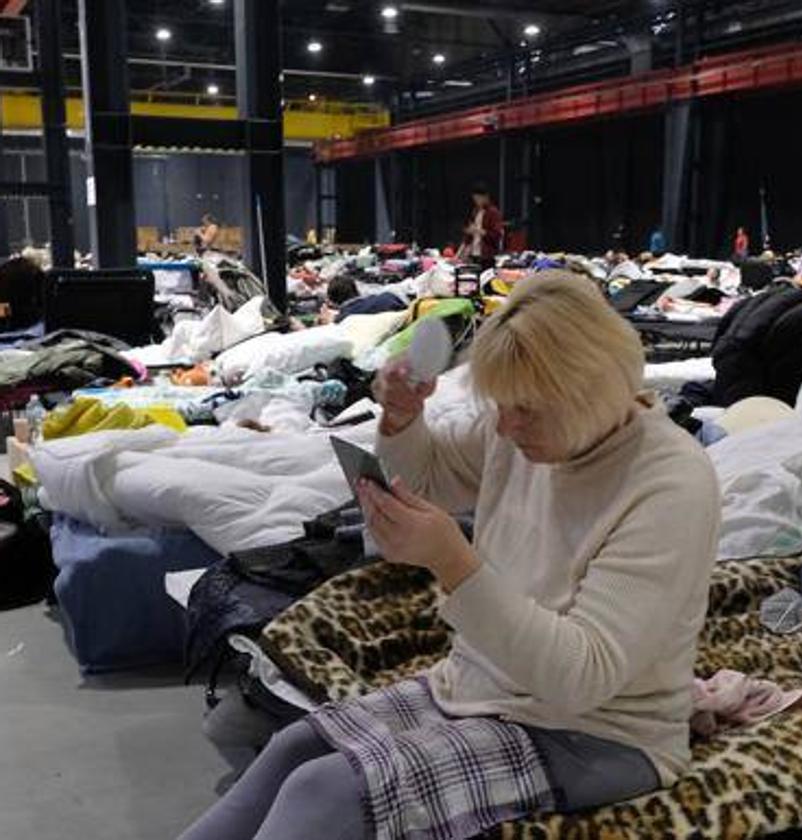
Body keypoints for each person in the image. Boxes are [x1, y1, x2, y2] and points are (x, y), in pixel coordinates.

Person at [178, 271, 720, 840]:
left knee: (327, 792)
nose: (505, 428)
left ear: (590, 392)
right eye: (501, 406)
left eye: (526, 411)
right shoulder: (526, 431)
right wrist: (402, 420)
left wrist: (453, 562)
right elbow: (430, 480)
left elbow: (582, 678)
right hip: (486, 687)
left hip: (598, 732)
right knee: (295, 749)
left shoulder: (668, 484)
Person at [458, 182, 504, 270]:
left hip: (487, 256)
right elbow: (469, 237)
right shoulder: (475, 211)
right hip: (474, 254)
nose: (476, 202)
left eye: (478, 199)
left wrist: (479, 231)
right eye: (475, 199)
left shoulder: (493, 213)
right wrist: (461, 253)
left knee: (485, 280)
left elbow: (497, 235)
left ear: (486, 197)